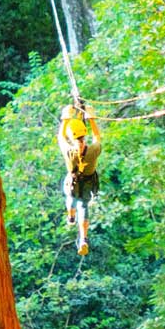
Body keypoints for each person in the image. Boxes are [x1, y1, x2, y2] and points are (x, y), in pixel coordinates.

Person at [57, 101, 103, 255]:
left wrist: (65, 118)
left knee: (70, 199)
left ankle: (71, 217)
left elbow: (61, 137)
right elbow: (97, 137)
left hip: (72, 183)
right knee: (83, 206)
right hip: (88, 184)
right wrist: (91, 118)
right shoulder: (93, 151)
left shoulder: (69, 152)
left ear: (72, 137)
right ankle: (83, 239)